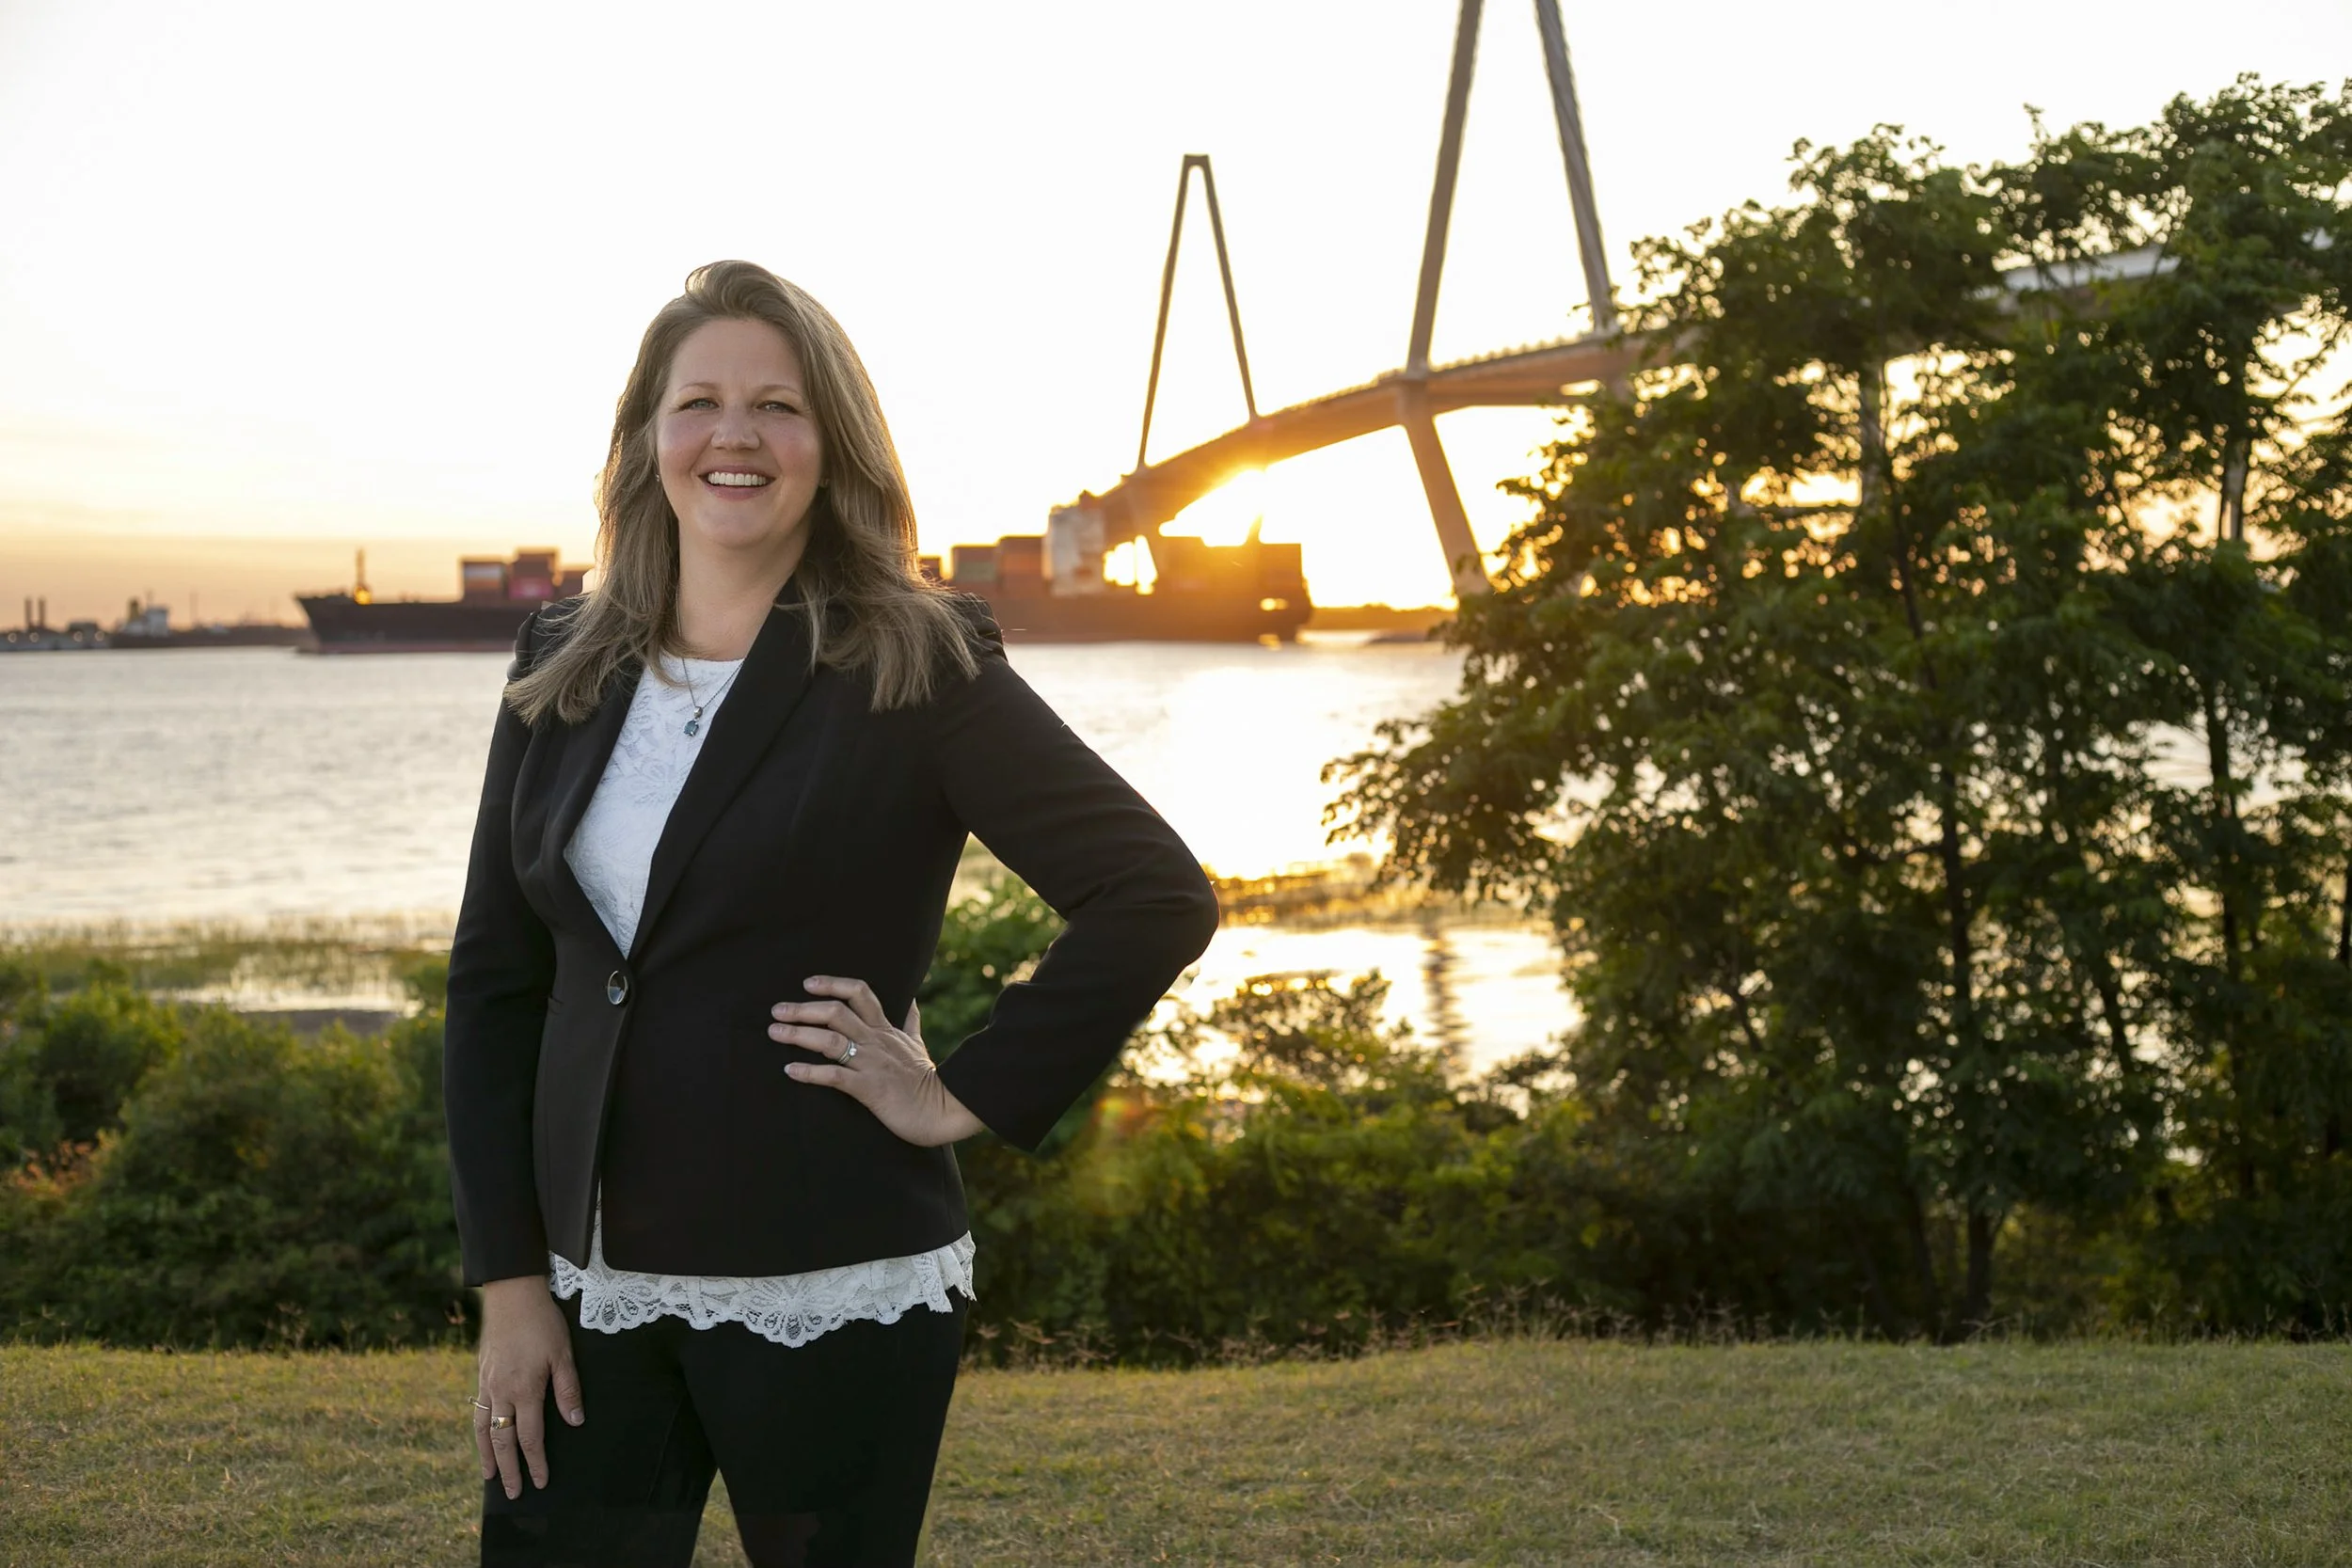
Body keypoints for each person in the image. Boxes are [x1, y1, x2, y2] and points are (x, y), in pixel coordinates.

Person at [443, 259, 1219, 1567]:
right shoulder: (561, 655)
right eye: (698, 402)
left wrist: (959, 1090)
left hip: (832, 1274)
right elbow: (497, 985)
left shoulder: (918, 657)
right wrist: (509, 1280)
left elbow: (1153, 893)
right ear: (647, 440)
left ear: (833, 447)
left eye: (778, 406)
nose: (733, 435)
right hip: (583, 1289)